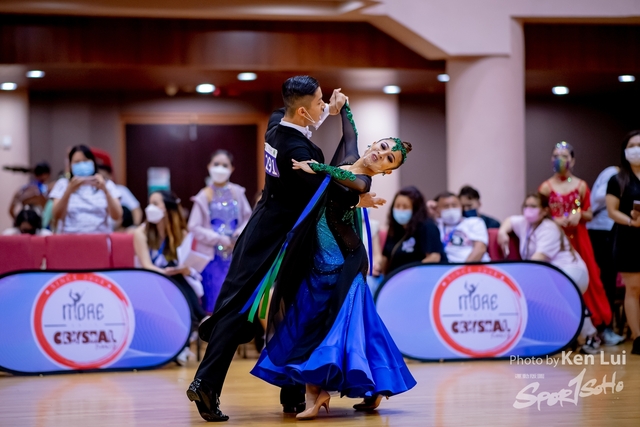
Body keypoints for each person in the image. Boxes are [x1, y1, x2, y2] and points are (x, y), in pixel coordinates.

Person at [187, 77, 384, 422]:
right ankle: (210, 384)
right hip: (280, 241)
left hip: (262, 233)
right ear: (304, 111)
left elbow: (296, 120)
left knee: (275, 308)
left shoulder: (275, 124)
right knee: (259, 310)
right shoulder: (298, 153)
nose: (324, 104)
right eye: (320, 101)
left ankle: (286, 392)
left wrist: (330, 111)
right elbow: (328, 191)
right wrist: (359, 200)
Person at [250, 99, 416, 420]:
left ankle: (318, 393)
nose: (381, 154)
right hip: (319, 261)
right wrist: (345, 106)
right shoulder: (352, 160)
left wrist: (316, 167)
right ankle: (370, 388)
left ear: (387, 171)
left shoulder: (363, 182)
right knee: (343, 325)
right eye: (382, 147)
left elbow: (338, 178)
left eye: (389, 159)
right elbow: (350, 134)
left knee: (338, 326)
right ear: (373, 145)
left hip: (345, 263)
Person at [498, 193, 599, 354]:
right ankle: (575, 336)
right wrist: (502, 232)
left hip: (571, 271)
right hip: (551, 274)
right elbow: (509, 220)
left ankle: (590, 335)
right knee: (551, 296)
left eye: (533, 207)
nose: (528, 210)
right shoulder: (525, 223)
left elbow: (538, 259)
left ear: (545, 210)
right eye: (526, 206)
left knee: (558, 294)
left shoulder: (549, 228)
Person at [539, 141, 615, 350]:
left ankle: (598, 326)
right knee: (557, 281)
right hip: (556, 239)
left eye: (564, 156)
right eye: (556, 155)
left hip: (580, 239)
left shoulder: (581, 185)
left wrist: (579, 214)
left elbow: (590, 213)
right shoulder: (545, 187)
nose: (560, 160)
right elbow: (540, 212)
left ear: (572, 160)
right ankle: (562, 329)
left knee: (590, 280)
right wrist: (554, 220)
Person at [133, 190, 207, 365]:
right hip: (148, 280)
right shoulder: (141, 233)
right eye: (149, 203)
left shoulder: (181, 234)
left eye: (155, 203)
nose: (150, 208)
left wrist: (184, 270)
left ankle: (184, 340)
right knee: (173, 278)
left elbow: (188, 265)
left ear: (167, 208)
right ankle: (200, 319)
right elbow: (146, 265)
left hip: (174, 282)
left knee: (178, 277)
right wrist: (167, 273)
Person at [188, 149, 253, 313]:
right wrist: (218, 238)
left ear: (232, 169)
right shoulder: (203, 195)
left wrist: (238, 233)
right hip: (211, 258)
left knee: (235, 299)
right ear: (209, 166)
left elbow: (248, 218)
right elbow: (194, 227)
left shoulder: (238, 192)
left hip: (236, 254)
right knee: (214, 300)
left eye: (225, 165)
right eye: (216, 164)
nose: (220, 168)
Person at [606, 130, 640, 355]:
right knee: (633, 288)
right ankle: (638, 337)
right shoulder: (617, 179)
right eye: (632, 145)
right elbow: (612, 211)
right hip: (628, 239)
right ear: (625, 151)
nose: (636, 149)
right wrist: (631, 221)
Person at [587, 165, 625, 346]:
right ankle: (603, 327)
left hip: (617, 230)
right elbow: (597, 197)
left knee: (610, 279)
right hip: (601, 231)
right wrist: (622, 193)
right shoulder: (613, 172)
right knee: (605, 279)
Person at [49, 145, 122, 234]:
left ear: (93, 162)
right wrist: (68, 191)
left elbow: (117, 216)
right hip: (70, 237)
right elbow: (56, 216)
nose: (82, 165)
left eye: (85, 160)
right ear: (70, 165)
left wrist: (105, 190)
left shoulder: (106, 184)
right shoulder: (62, 184)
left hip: (100, 237)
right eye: (77, 162)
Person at [382, 186, 447, 277]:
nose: (400, 209)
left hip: (418, 279)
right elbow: (385, 257)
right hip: (392, 279)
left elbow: (434, 257)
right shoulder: (395, 228)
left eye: (405, 207)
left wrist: (409, 275)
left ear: (416, 209)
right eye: (397, 206)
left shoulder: (427, 226)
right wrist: (376, 268)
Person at [435, 191, 490, 263]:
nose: (451, 209)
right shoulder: (435, 225)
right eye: (446, 206)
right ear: (438, 209)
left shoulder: (475, 222)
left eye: (454, 205)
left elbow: (480, 249)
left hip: (473, 265)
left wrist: (464, 268)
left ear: (461, 207)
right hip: (447, 267)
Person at [97, 164, 142, 229]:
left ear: (110, 176)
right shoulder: (90, 192)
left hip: (120, 229)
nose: (102, 181)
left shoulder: (121, 190)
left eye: (104, 178)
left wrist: (134, 226)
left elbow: (136, 209)